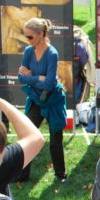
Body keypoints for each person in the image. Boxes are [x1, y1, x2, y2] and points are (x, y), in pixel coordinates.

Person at [16, 18, 66, 183]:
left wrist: (31, 77)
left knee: (55, 139)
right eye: (25, 36)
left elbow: (50, 83)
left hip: (53, 101)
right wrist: (37, 77)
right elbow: (21, 77)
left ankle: (60, 175)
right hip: (37, 99)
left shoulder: (52, 53)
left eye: (29, 37)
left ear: (41, 34)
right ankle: (23, 175)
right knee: (28, 136)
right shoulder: (29, 51)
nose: (27, 40)